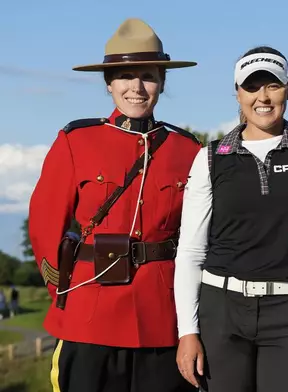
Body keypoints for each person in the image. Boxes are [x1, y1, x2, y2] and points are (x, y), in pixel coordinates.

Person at [28, 18, 202, 392]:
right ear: (109, 83)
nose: (136, 88)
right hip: (89, 315)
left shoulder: (187, 150)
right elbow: (45, 227)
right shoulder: (77, 140)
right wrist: (65, 293)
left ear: (162, 82)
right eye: (124, 76)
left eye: (148, 76)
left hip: (161, 320)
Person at [173, 45, 288, 392]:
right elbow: (191, 251)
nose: (262, 97)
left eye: (273, 85)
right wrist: (187, 332)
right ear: (237, 94)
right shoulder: (210, 158)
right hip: (222, 310)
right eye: (252, 87)